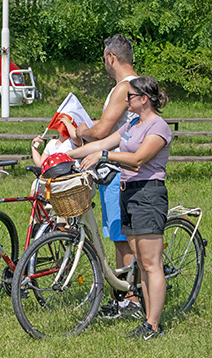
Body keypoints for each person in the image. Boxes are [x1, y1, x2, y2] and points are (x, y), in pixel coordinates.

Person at [68, 77, 171, 339]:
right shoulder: (132, 123)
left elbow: (137, 160)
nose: (127, 101)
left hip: (148, 193)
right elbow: (102, 143)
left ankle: (153, 325)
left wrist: (105, 156)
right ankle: (148, 318)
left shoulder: (158, 127)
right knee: (141, 261)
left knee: (150, 263)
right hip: (128, 193)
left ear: (144, 99)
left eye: (131, 97)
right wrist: (62, 156)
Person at [75, 34, 139, 318]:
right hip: (116, 168)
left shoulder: (124, 88)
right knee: (117, 234)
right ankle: (122, 294)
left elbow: (101, 131)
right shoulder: (135, 85)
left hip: (118, 170)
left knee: (121, 235)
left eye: (104, 58)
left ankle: (131, 298)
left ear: (111, 57)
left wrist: (78, 130)